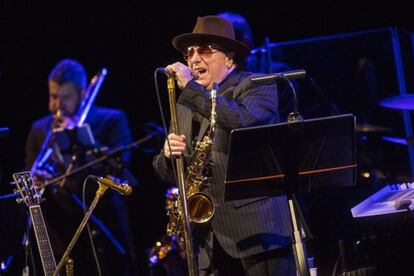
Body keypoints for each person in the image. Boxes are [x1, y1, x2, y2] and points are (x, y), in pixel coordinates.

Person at [152, 16, 295, 275]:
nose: (194, 59)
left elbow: (241, 120)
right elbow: (166, 173)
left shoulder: (257, 85)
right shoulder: (186, 103)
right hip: (207, 243)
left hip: (258, 234)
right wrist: (167, 154)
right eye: (189, 53)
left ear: (229, 58)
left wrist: (193, 89)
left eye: (204, 50)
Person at [25, 59, 138, 275]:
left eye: (64, 98)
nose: (56, 106)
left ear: (82, 94)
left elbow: (121, 170)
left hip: (101, 233)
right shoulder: (39, 129)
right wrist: (39, 181)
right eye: (52, 97)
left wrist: (75, 137)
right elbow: (31, 176)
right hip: (57, 237)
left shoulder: (111, 121)